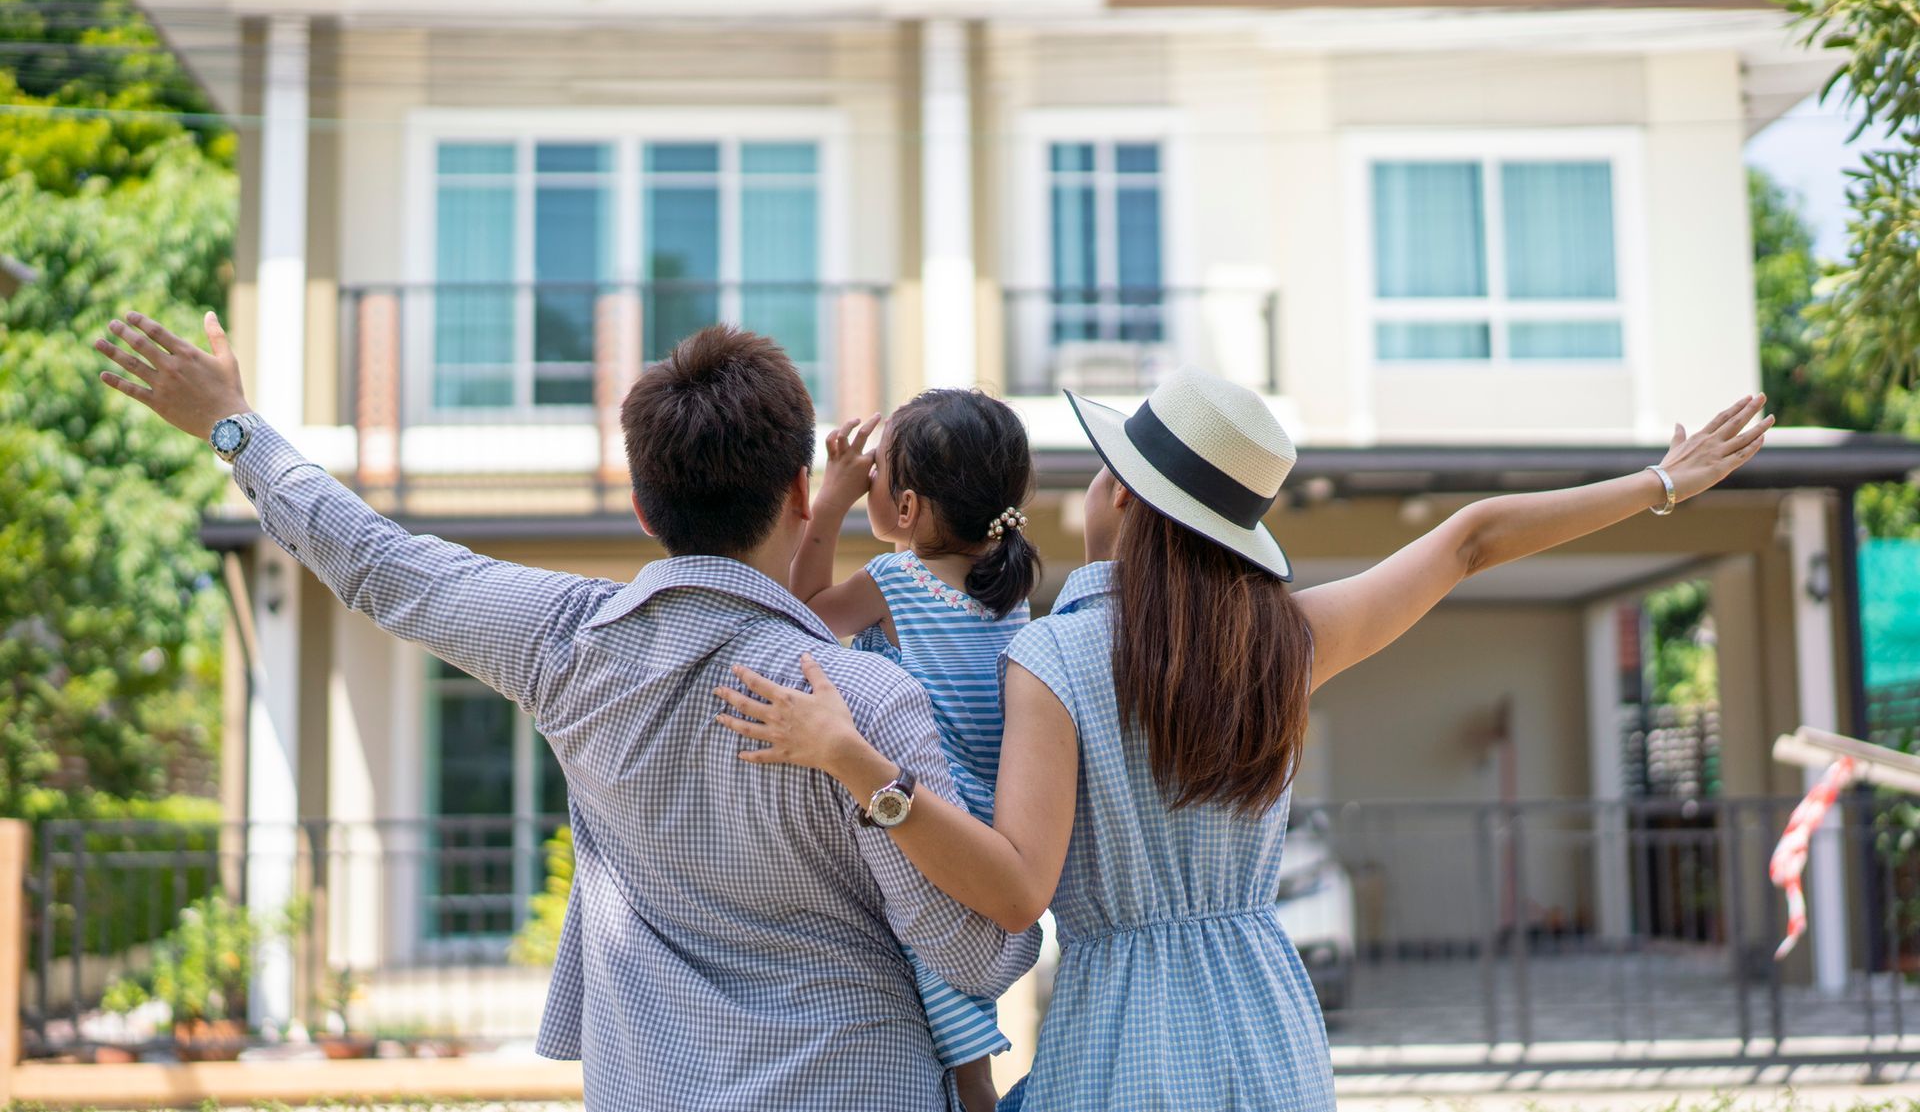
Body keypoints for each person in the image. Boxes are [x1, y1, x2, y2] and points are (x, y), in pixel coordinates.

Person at [717, 366, 1773, 1110]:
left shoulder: (1051, 660)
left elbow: (1014, 891)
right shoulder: (1286, 641)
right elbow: (1469, 541)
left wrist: (856, 762)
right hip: (1272, 1025)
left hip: (1122, 1040)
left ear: (1122, 500)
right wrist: (1661, 485)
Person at [93, 310, 1040, 1112]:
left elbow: (380, 564)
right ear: (801, 491)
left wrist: (233, 428)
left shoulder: (568, 643)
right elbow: (975, 952)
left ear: (639, 504)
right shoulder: (868, 699)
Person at [789, 390, 1042, 1112]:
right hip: (998, 813)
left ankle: (975, 1089)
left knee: (922, 946)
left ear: (906, 509)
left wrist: (828, 502)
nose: (861, 478)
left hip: (932, 800)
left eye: (872, 475)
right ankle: (974, 1085)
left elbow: (800, 616)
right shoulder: (1010, 586)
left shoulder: (899, 581)